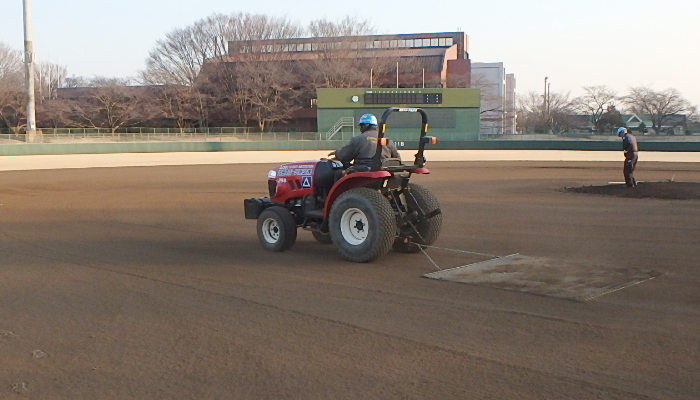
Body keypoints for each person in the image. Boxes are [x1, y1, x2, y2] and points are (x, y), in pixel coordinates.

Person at [328, 113, 401, 168]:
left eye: (361, 126)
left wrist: (337, 153)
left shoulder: (358, 139)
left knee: (338, 173)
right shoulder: (387, 141)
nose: (360, 129)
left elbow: (345, 156)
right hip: (383, 170)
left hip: (364, 170)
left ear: (365, 126)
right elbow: (397, 158)